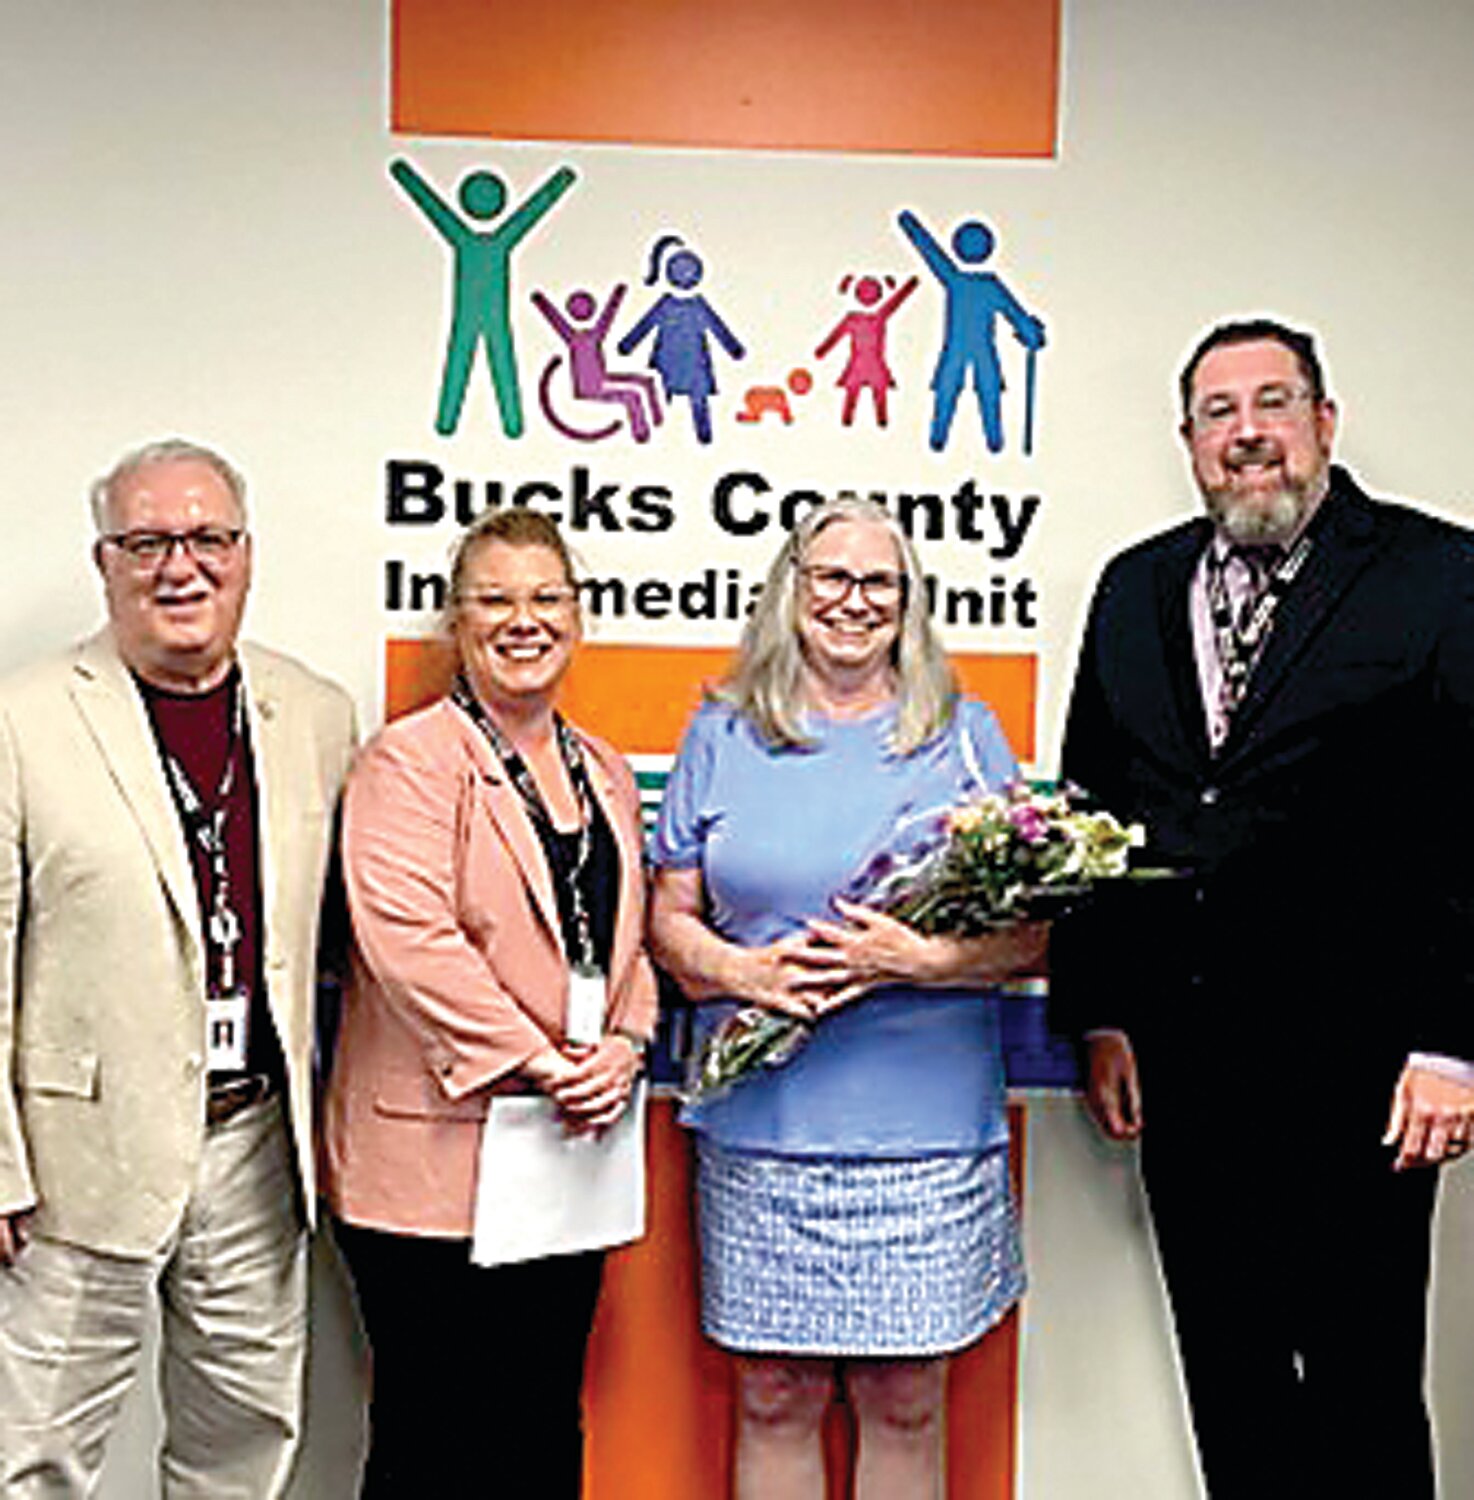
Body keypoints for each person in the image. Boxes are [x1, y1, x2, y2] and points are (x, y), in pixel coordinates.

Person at [1054, 318, 1474, 1498]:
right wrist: (1103, 1014)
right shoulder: (1136, 588)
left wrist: (1455, 1041)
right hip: (1187, 1070)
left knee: (1363, 1389)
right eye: (1218, 413)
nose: (1248, 436)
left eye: (1272, 404)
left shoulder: (1439, 577)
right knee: (1229, 1383)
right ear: (1188, 442)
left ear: (1323, 423)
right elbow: (1098, 806)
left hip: (1370, 1074)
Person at [649, 496, 1046, 1500]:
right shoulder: (722, 731)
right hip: (761, 1128)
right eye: (831, 577)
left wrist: (921, 962)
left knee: (906, 1401)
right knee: (772, 1396)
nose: (852, 601)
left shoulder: (963, 736)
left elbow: (1032, 933)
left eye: (878, 582)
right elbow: (667, 920)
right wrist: (739, 975)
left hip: (921, 1134)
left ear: (908, 603)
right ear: (792, 590)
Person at [0, 439, 357, 1495]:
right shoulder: (22, 719)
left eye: (207, 539)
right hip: (76, 1164)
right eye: (148, 541)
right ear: (105, 560)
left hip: (253, 1142)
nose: (180, 567)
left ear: (246, 555)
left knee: (244, 1445)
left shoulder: (316, 714)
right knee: (35, 1458)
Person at [323, 507, 656, 1498]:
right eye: (496, 599)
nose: (525, 620)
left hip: (563, 1156)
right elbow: (409, 945)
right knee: (436, 1433)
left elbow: (625, 939)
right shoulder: (408, 762)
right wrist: (547, 1061)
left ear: (578, 616)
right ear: (454, 621)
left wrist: (628, 1044)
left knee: (542, 1417)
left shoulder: (601, 770)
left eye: (547, 597)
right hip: (430, 1164)